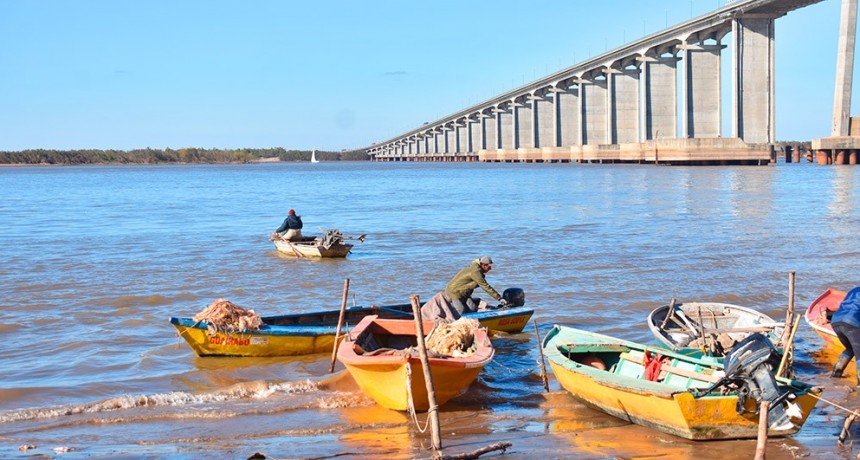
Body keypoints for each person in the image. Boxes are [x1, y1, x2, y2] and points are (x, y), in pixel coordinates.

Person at [830, 287, 860, 385]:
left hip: (836, 320)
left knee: (850, 349)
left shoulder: (854, 290)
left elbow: (845, 305)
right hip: (852, 322)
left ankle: (835, 374)